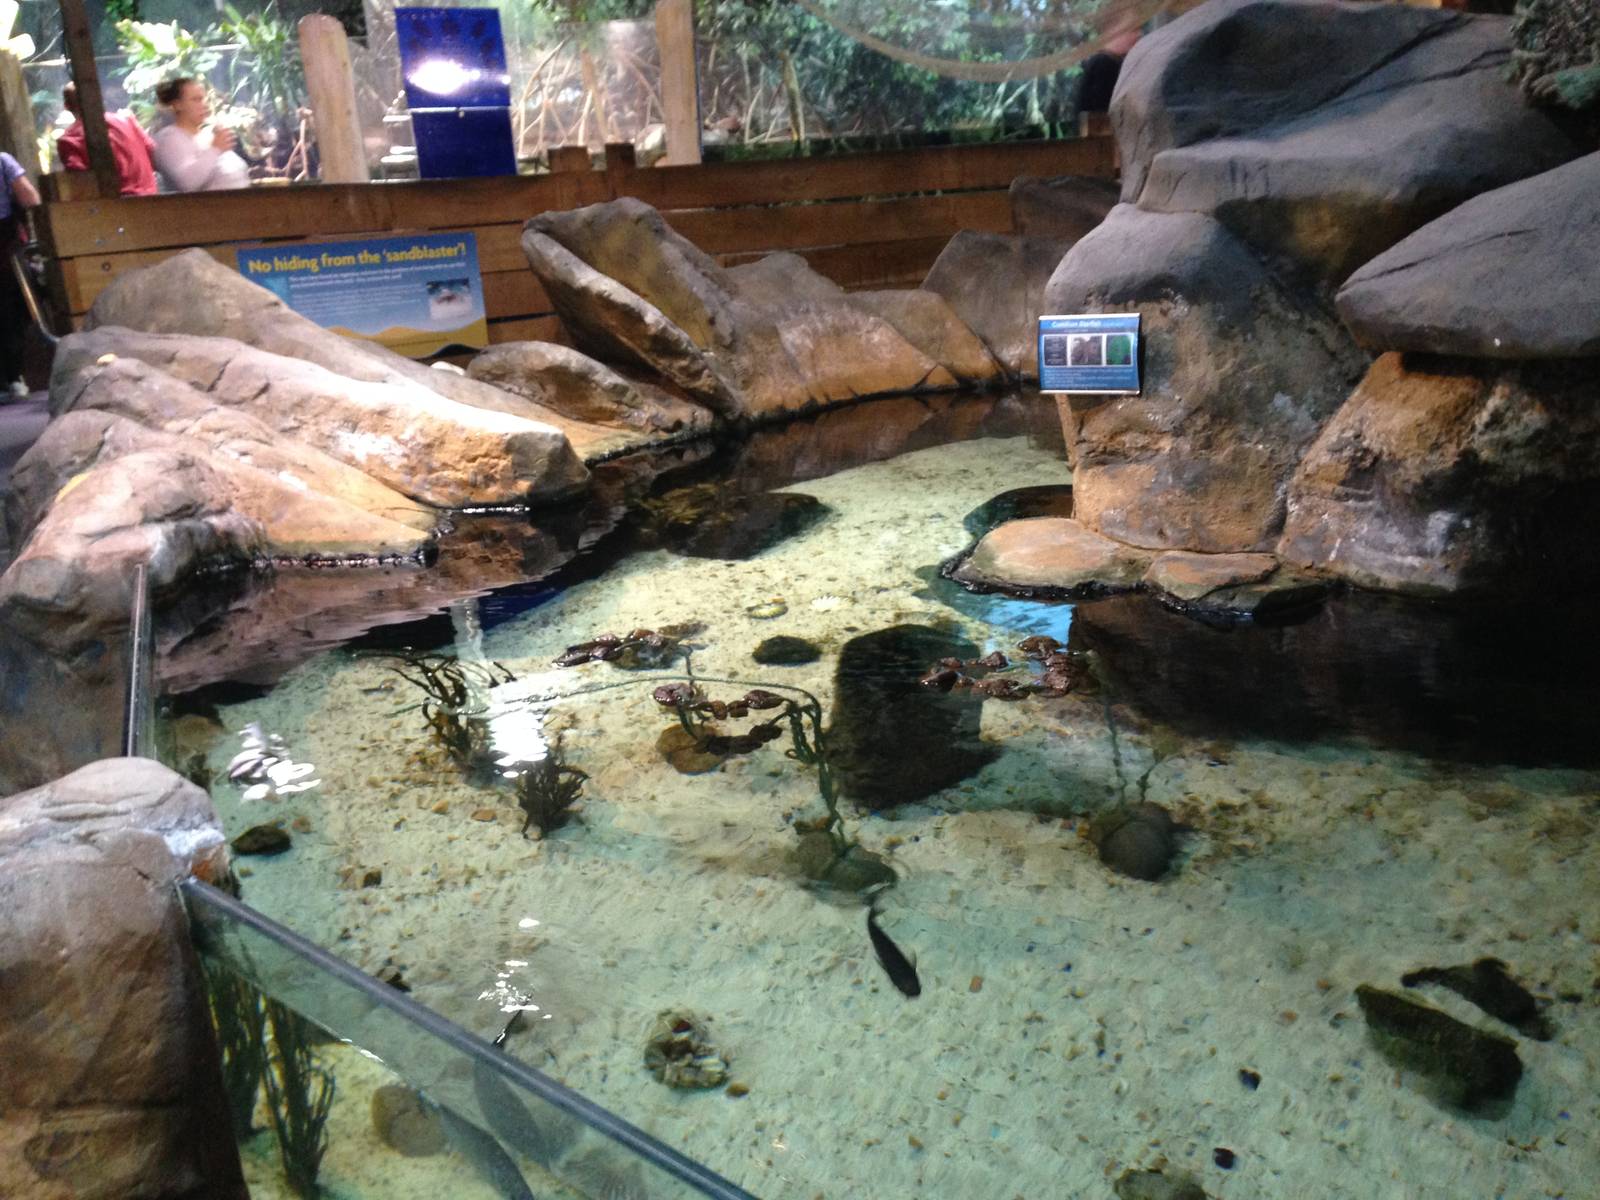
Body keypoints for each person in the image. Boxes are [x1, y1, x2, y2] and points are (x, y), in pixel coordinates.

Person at [56, 82, 158, 197]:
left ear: (66, 106)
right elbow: (154, 155)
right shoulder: (127, 121)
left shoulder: (69, 140)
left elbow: (82, 183)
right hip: (152, 201)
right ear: (98, 98)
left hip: (113, 208)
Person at [150, 77, 250, 192]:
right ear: (178, 105)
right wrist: (215, 149)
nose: (205, 105)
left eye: (204, 99)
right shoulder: (168, 138)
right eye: (196, 100)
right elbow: (187, 183)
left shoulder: (208, 136)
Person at [0, 150, 40, 397]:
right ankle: (13, 376)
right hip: (4, 245)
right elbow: (30, 198)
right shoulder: (3, 160)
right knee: (9, 312)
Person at [1078, 18, 1143, 114]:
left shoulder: (1108, 61)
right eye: (1133, 29)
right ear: (1114, 32)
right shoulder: (1104, 63)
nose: (1139, 34)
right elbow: (1104, 112)